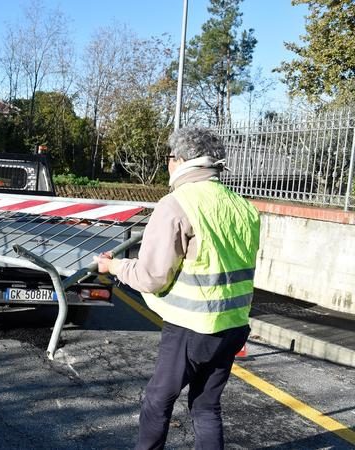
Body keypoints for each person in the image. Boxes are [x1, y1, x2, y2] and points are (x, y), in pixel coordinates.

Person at [94, 126, 260, 450]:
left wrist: (113, 266)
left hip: (191, 327)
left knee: (158, 400)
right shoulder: (244, 207)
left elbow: (151, 276)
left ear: (181, 160)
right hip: (234, 325)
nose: (167, 164)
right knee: (206, 406)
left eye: (169, 157)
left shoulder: (176, 204)